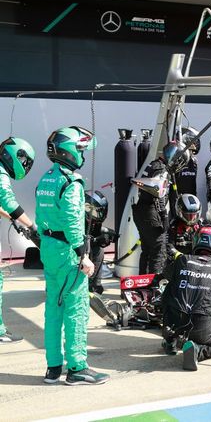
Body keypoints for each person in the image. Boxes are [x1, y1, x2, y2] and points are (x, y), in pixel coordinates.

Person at [36, 126, 109, 385]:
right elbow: (72, 222)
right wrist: (83, 255)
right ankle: (77, 367)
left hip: (49, 251)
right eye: (79, 149)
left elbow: (40, 217)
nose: (82, 154)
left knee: (53, 310)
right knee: (76, 311)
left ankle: (53, 368)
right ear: (68, 151)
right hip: (69, 253)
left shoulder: (46, 179)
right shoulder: (71, 182)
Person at [161, 225, 211, 371]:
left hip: (172, 321)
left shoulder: (182, 260)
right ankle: (197, 351)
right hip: (200, 324)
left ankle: (170, 340)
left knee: (169, 294)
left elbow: (164, 283)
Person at [133, 141, 190, 275]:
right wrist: (164, 216)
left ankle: (143, 284)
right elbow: (157, 194)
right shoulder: (161, 169)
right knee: (159, 250)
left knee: (147, 250)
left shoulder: (155, 164)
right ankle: (154, 287)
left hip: (142, 211)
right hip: (150, 212)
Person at [0, 137, 36, 344]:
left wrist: (12, 218)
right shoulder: (1, 173)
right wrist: (31, 225)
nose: (24, 167)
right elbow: (9, 201)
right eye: (24, 162)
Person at [85, 190, 118, 295]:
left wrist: (107, 234)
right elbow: (75, 238)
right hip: (69, 250)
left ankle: (94, 285)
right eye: (97, 211)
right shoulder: (76, 219)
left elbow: (94, 233)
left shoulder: (94, 221)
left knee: (99, 249)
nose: (99, 214)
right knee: (97, 251)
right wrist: (95, 240)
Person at [169, 127, 200, 217]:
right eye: (194, 140)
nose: (196, 143)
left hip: (191, 202)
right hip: (178, 201)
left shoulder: (194, 161)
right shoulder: (177, 160)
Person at [167, 193, 201, 258]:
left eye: (194, 215)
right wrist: (179, 255)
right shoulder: (173, 226)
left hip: (197, 259)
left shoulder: (201, 225)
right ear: (180, 213)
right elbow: (168, 245)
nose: (191, 219)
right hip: (179, 260)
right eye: (188, 215)